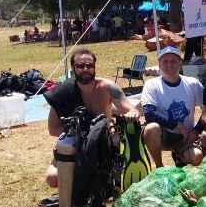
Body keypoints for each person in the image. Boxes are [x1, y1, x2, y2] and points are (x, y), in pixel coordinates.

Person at [44, 47, 139, 187]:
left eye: (89, 65)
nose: (85, 69)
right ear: (73, 68)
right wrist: (80, 133)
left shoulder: (107, 88)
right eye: (80, 66)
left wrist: (132, 113)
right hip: (75, 142)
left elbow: (129, 108)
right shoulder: (62, 93)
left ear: (94, 67)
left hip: (104, 142)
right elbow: (53, 129)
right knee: (53, 178)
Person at [141, 46, 204, 167]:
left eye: (173, 61)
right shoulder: (151, 84)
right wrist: (176, 125)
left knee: (196, 157)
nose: (169, 65)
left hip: (185, 136)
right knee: (151, 128)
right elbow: (149, 113)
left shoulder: (193, 83)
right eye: (165, 61)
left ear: (180, 63)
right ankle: (160, 167)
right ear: (159, 64)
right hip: (163, 135)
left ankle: (180, 156)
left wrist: (196, 131)